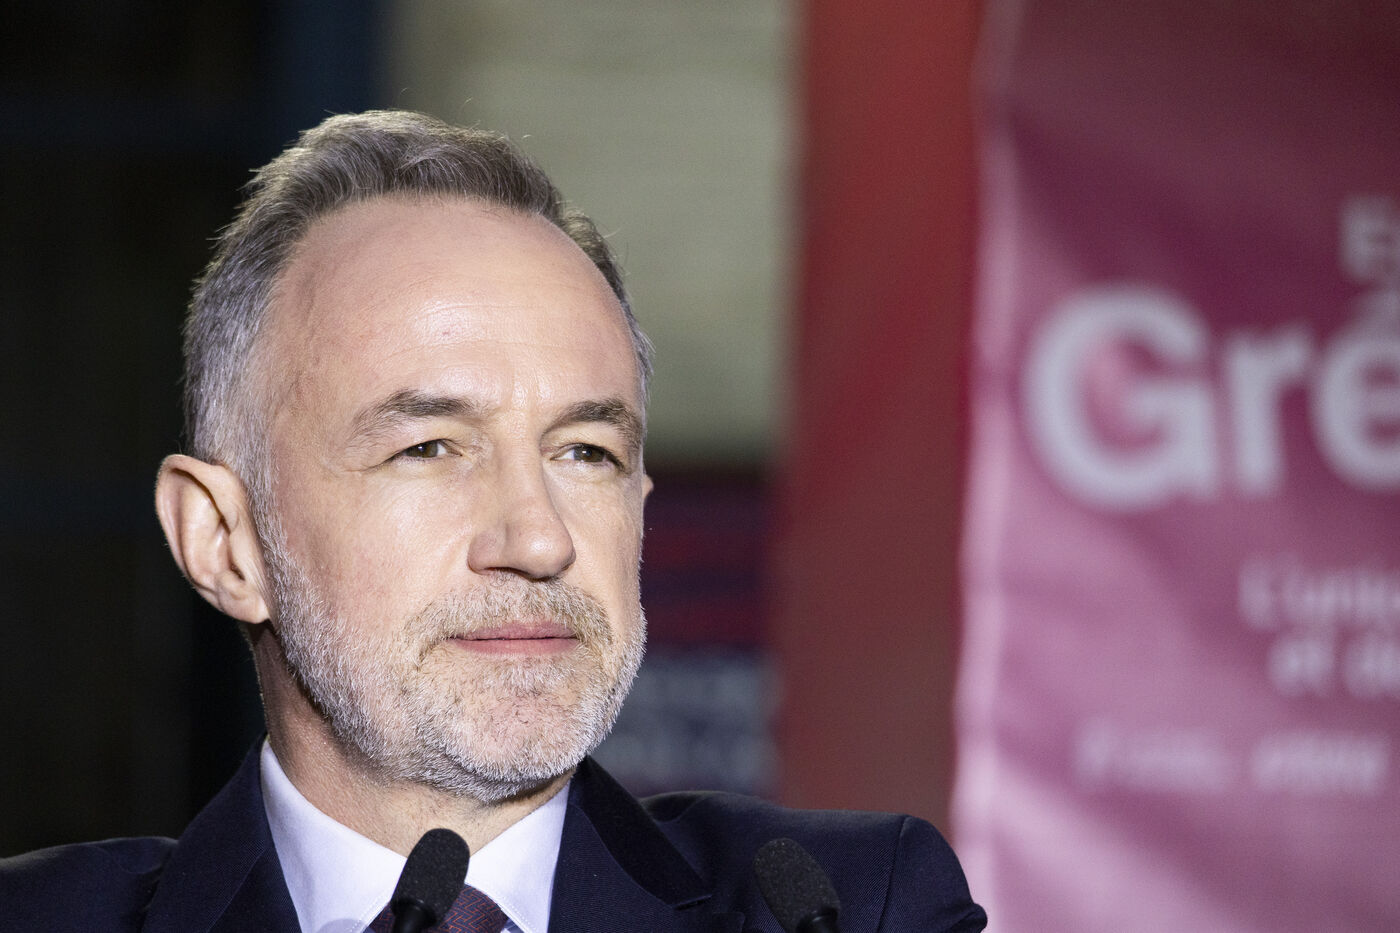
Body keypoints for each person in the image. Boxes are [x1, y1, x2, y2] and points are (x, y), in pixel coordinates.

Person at [0, 110, 985, 933]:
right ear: (224, 542)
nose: (540, 539)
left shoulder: (844, 909)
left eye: (585, 453)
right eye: (431, 447)